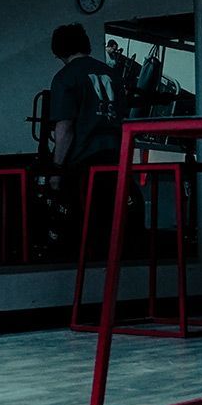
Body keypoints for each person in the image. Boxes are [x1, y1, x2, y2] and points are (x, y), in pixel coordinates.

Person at [47, 23, 127, 257]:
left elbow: (65, 130)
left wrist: (56, 170)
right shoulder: (113, 75)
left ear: (58, 51)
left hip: (84, 162)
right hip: (116, 159)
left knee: (82, 232)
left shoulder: (65, 77)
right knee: (111, 230)